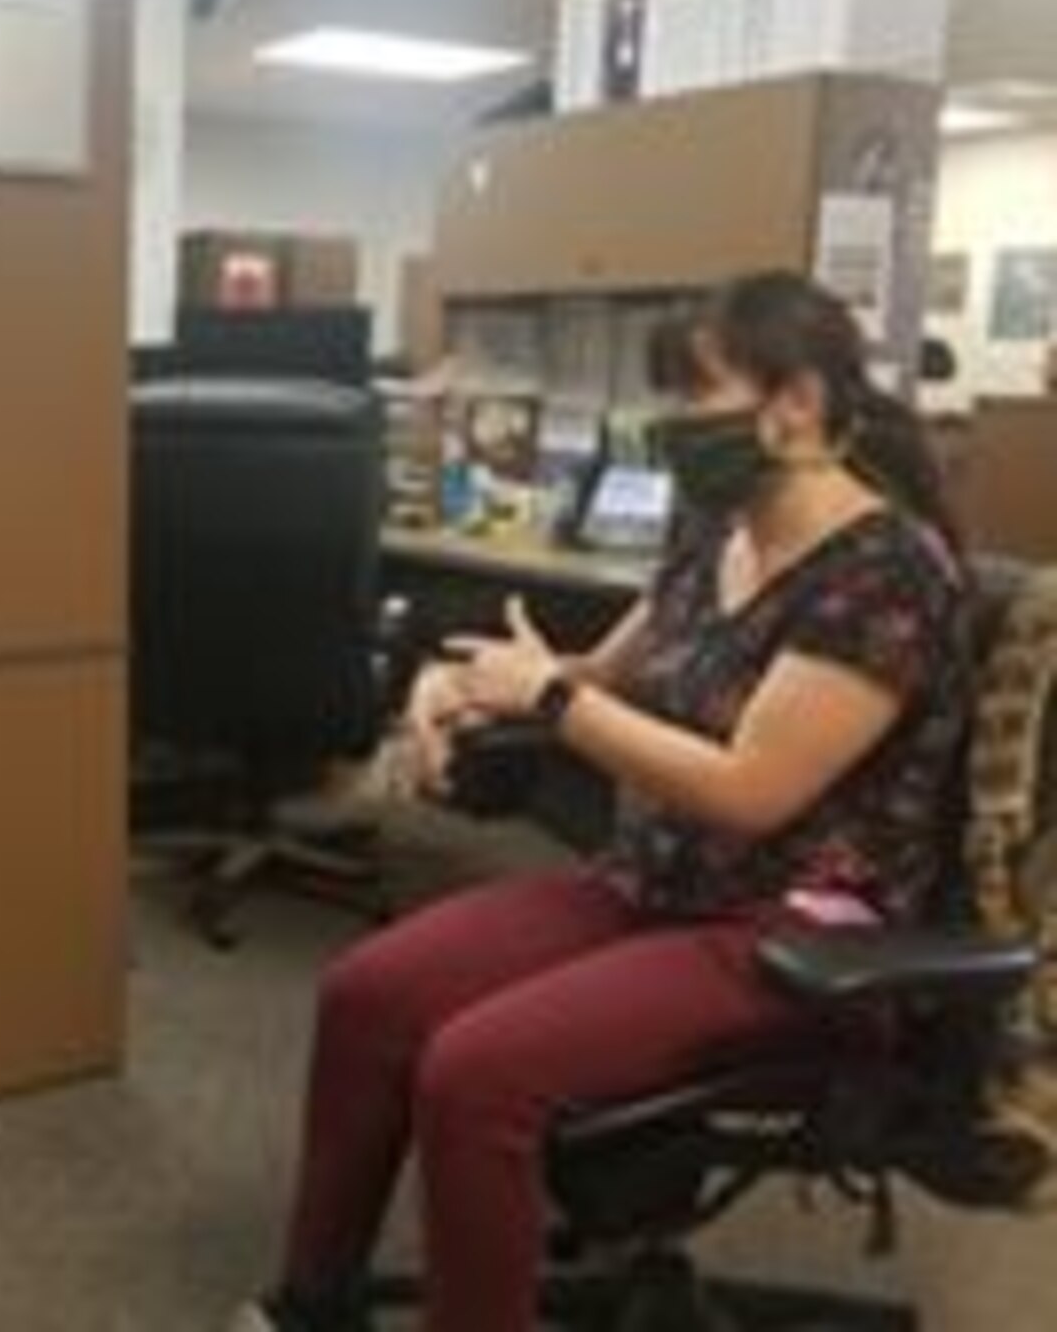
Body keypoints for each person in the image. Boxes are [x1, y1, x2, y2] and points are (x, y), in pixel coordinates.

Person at [233, 270, 974, 1332]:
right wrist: (466, 686)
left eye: (693, 395)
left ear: (797, 401)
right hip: (659, 885)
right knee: (367, 993)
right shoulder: (710, 532)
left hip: (796, 934)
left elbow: (750, 790)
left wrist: (546, 699)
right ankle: (313, 1301)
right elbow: (592, 679)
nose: (672, 426)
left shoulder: (883, 575)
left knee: (476, 1074)